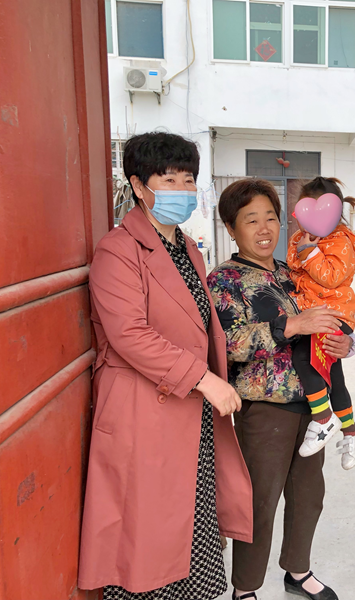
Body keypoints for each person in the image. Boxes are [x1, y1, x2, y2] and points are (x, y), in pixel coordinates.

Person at [77, 132, 253, 600]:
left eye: (188, 179)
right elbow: (129, 334)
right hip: (145, 410)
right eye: (168, 179)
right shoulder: (118, 249)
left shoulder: (188, 247)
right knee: (150, 532)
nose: (181, 189)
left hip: (188, 409)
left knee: (191, 517)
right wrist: (203, 379)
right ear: (139, 186)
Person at [208, 178, 355, 600]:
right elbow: (226, 344)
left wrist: (345, 342)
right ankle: (246, 588)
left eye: (270, 218)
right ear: (231, 228)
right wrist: (290, 325)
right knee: (260, 503)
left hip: (314, 407)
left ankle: (297, 570)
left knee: (309, 496)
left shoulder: (294, 270)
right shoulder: (225, 280)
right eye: (250, 219)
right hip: (265, 409)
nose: (264, 229)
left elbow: (330, 314)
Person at [287, 176, 355, 468]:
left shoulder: (342, 241)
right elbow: (293, 266)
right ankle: (351, 431)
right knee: (334, 377)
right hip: (313, 313)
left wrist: (309, 252)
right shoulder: (302, 237)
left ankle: (323, 418)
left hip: (333, 315)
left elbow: (331, 277)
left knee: (303, 358)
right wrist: (303, 247)